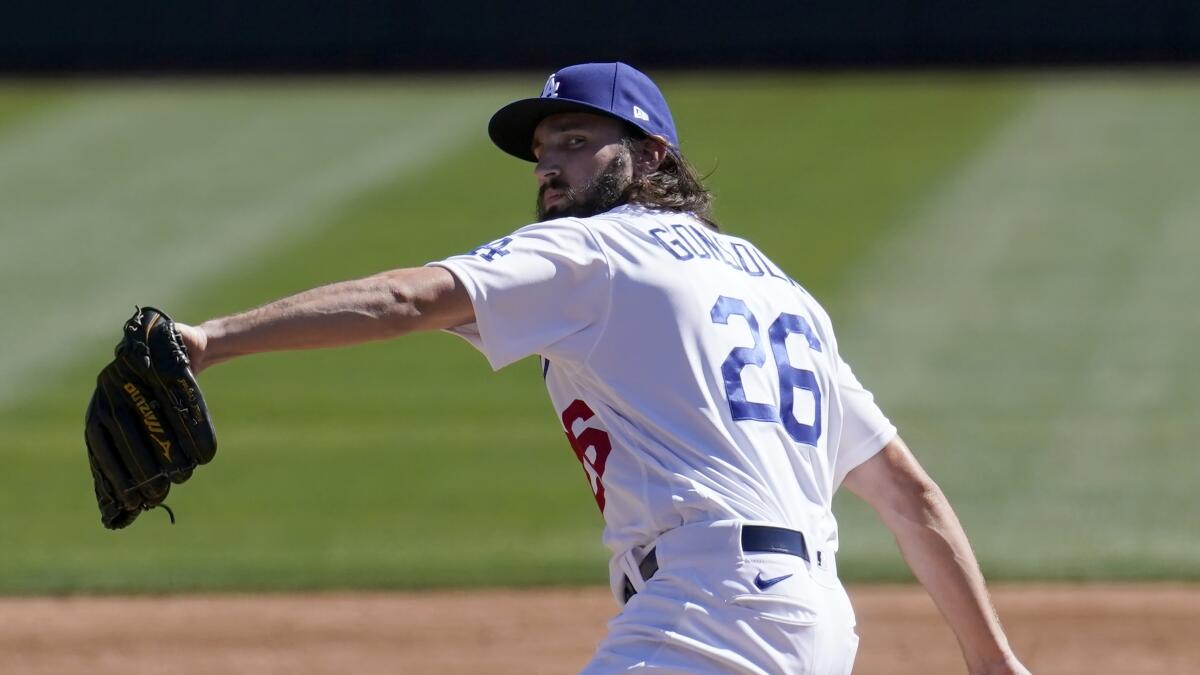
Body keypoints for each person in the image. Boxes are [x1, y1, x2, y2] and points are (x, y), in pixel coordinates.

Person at [177, 62, 1030, 674]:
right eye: (544, 148)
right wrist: (992, 658)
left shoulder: (591, 249)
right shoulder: (778, 287)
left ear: (652, 155)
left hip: (711, 612)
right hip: (816, 625)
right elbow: (905, 493)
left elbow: (404, 300)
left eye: (578, 141)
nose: (550, 164)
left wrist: (211, 339)